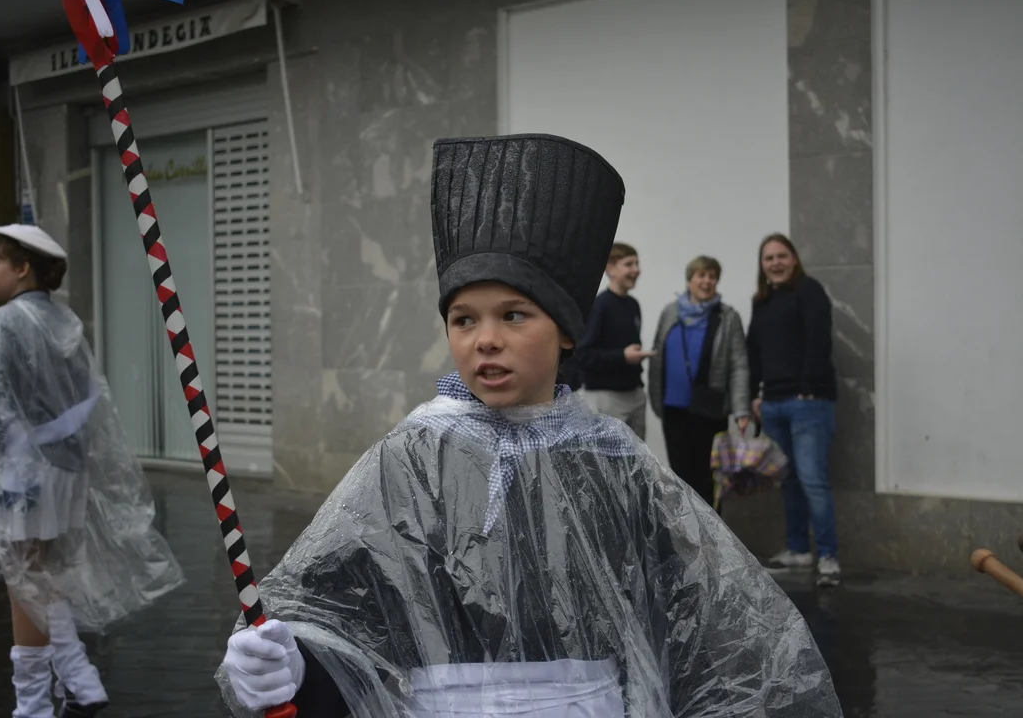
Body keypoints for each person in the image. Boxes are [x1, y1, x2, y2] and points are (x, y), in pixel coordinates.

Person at [217, 135, 843, 717]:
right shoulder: (407, 459)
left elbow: (694, 623)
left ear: (566, 331)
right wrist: (288, 663)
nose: (485, 339)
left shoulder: (615, 462)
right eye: (464, 319)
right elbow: (342, 610)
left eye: (513, 315)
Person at [0, 225, 185, 718]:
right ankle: (80, 679)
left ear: (22, 268)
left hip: (21, 474)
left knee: (26, 583)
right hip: (65, 471)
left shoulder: (3, 322)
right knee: (44, 576)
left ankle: (33, 704)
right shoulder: (64, 321)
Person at [746, 233, 841, 587]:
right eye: (768, 258)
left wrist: (807, 388)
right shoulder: (762, 301)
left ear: (794, 259)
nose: (775, 263)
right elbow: (754, 350)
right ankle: (799, 549)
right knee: (788, 479)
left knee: (813, 479)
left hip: (808, 403)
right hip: (771, 403)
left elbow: (819, 339)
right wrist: (755, 395)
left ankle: (828, 555)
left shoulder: (809, 291)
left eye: (781, 256)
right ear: (762, 265)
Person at [647, 256, 750, 509]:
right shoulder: (670, 312)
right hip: (673, 409)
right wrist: (656, 398)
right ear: (689, 280)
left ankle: (711, 533)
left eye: (712, 276)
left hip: (709, 410)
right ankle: (685, 531)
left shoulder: (728, 316)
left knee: (708, 480)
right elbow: (658, 354)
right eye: (701, 275)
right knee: (680, 478)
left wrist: (741, 408)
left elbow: (739, 364)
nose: (707, 281)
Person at [574, 243, 654, 438]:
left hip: (634, 393)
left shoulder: (633, 304)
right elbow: (583, 355)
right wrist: (623, 357)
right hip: (605, 397)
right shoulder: (599, 306)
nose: (636, 270)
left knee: (638, 456)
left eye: (637, 263)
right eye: (629, 264)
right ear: (610, 268)